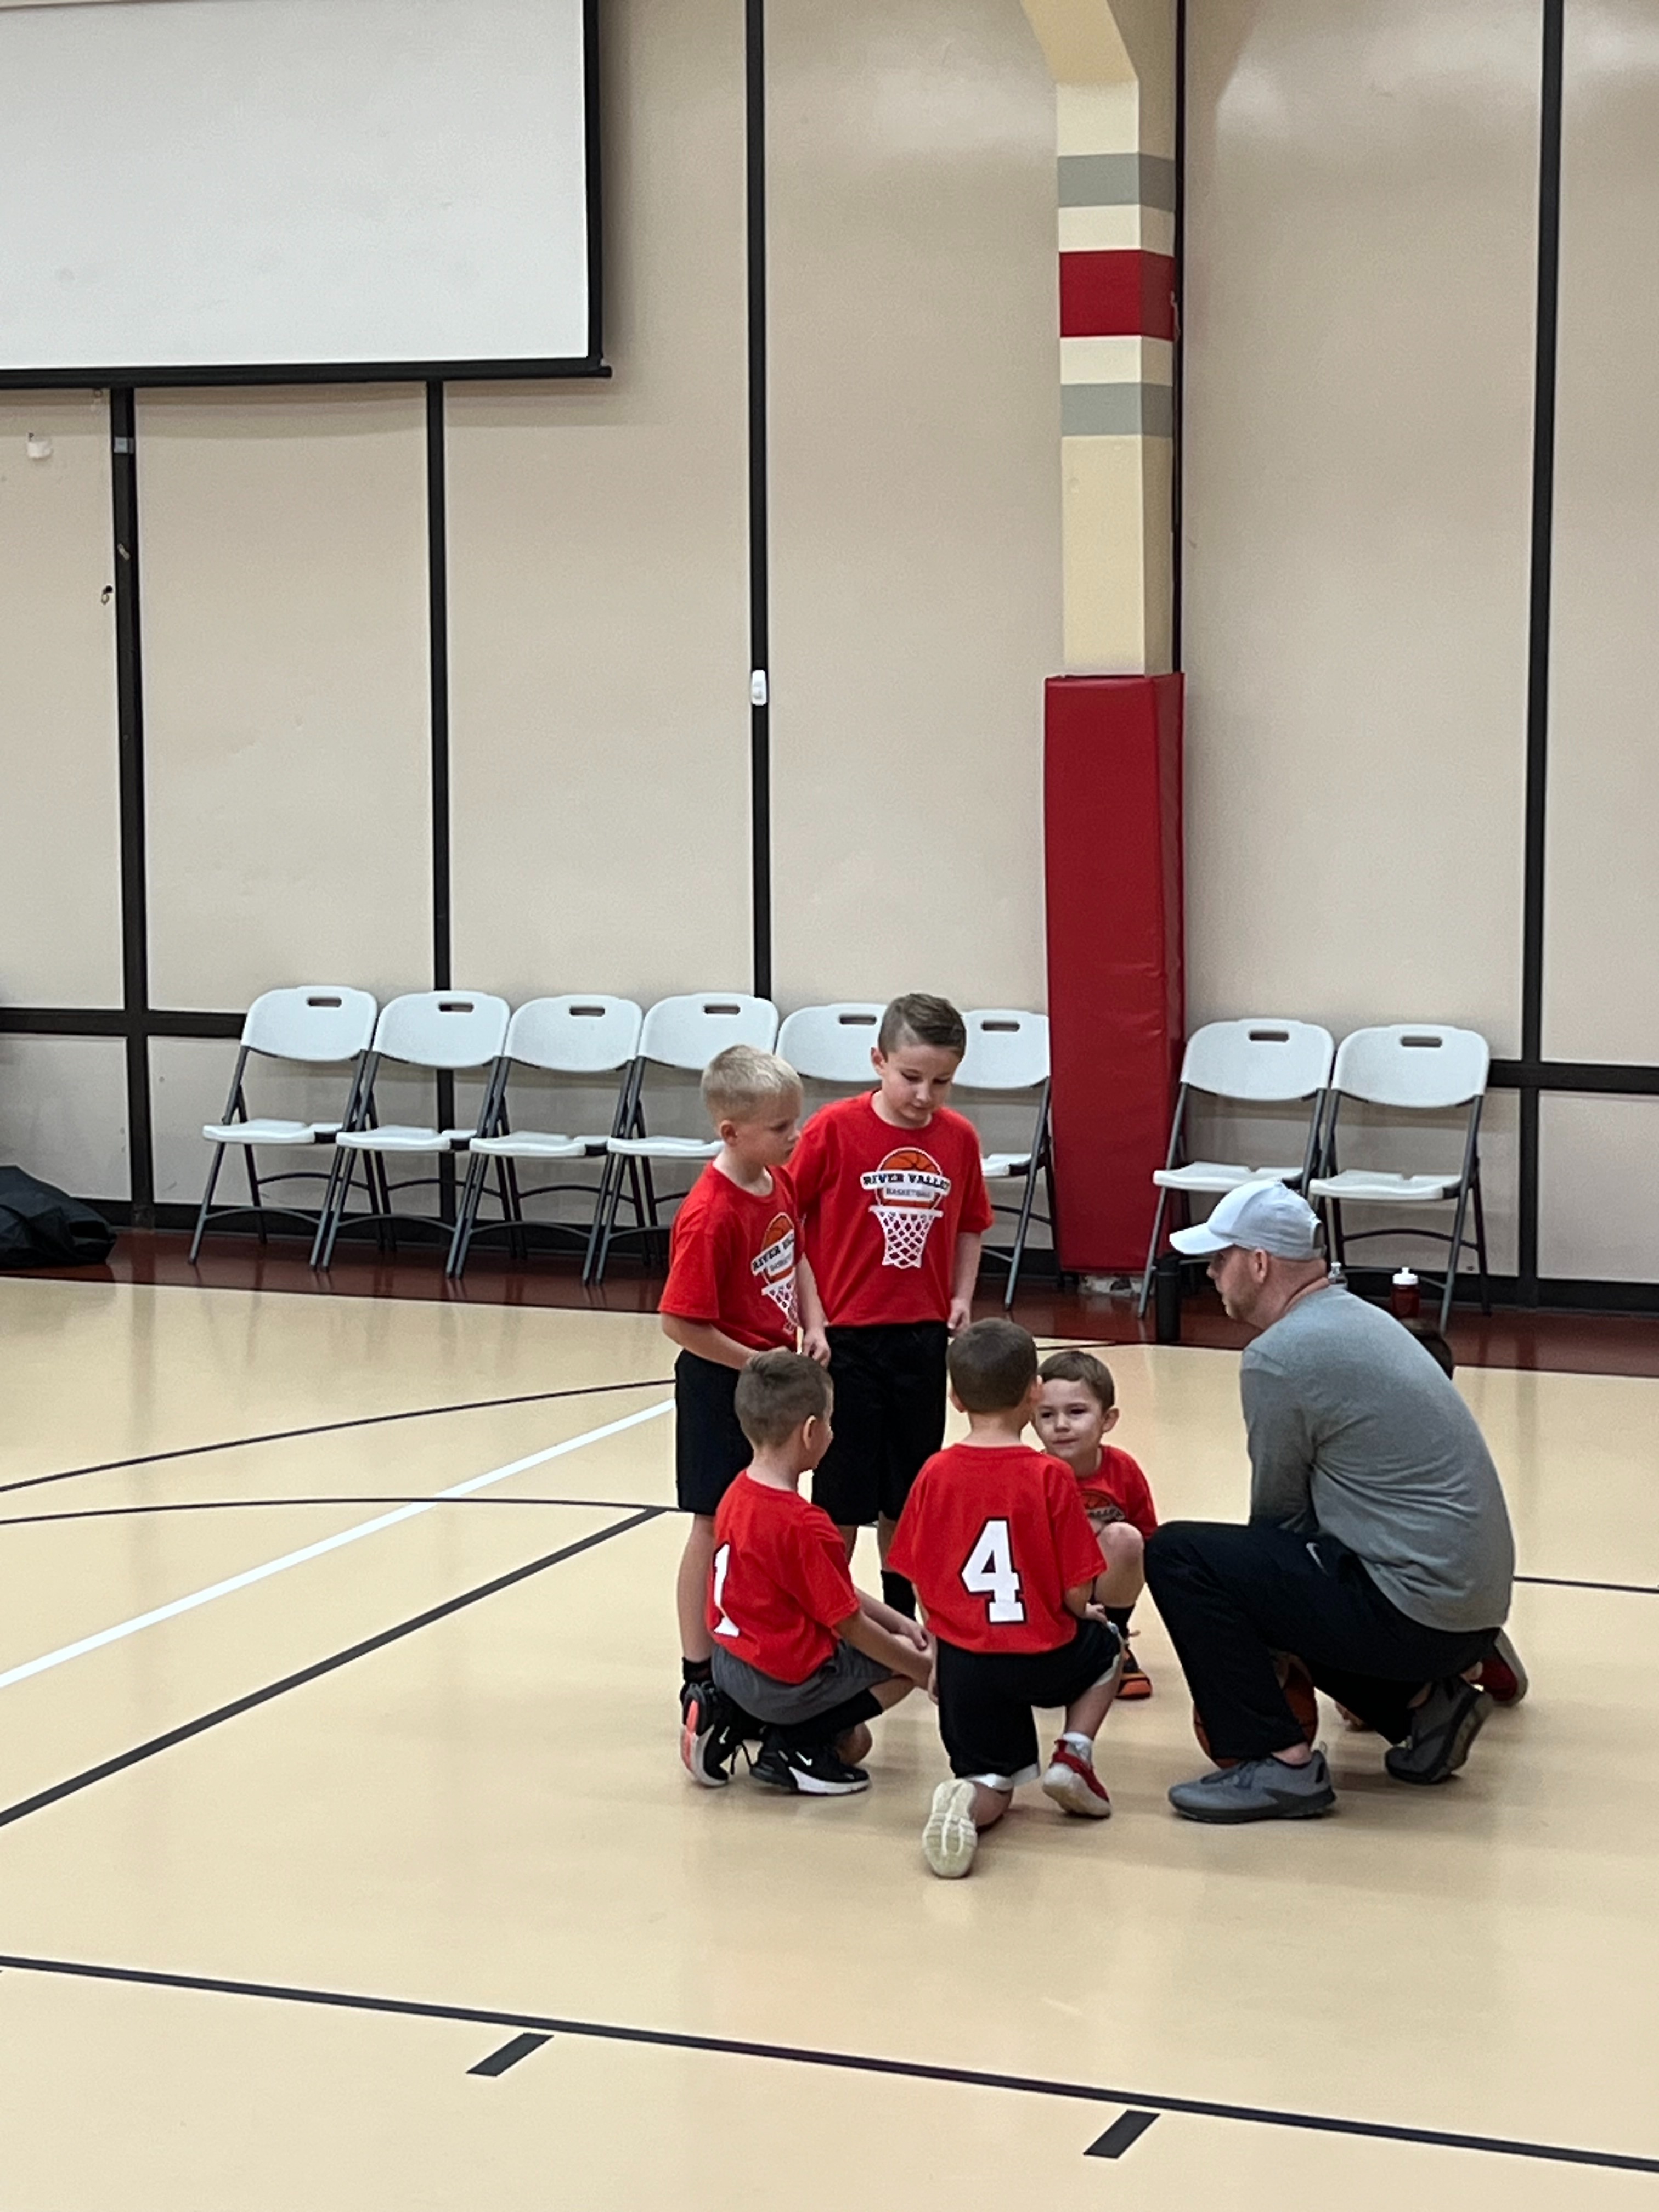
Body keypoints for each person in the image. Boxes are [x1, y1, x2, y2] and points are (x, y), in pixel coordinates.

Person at [1144, 1180, 1516, 1824]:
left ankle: (1277, 1760)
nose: (1210, 1274)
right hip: (1471, 1615)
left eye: (1219, 1258)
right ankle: (1425, 1706)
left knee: (1182, 1556)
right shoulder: (1363, 1318)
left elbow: (1278, 1521)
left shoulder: (1281, 1355)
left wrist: (1260, 1650)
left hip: (1418, 1615)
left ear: (1259, 1263)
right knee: (1307, 1568)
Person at [888, 1318, 1124, 1879]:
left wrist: (942, 1648)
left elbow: (921, 1580)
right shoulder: (1049, 1475)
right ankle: (1073, 1753)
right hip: (1042, 1654)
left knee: (994, 1784)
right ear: (1034, 1392)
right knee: (1107, 1648)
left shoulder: (935, 1473)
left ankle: (965, 1801)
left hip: (969, 1664)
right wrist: (1081, 1613)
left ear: (954, 1397)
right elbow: (1075, 1587)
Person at [791, 993, 994, 1615]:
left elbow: (970, 1223)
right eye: (911, 1078)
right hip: (846, 1339)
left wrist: (961, 1295)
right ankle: (828, 1614)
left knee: (907, 1495)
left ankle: (901, 1617)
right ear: (878, 1060)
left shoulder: (958, 1138)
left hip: (921, 1338)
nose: (925, 1095)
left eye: (943, 1081)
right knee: (842, 1493)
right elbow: (789, 1219)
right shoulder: (833, 1129)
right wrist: (812, 1317)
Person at [659, 1045, 824, 1768]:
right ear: (731, 1132)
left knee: (769, 1516)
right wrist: (756, 1361)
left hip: (772, 1373)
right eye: (781, 1127)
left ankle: (757, 1657)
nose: (795, 1137)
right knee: (713, 1520)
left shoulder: (773, 1180)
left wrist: (814, 1323)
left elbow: (797, 1255)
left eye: (796, 1122)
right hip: (722, 1383)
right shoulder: (709, 1215)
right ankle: (700, 1676)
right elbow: (680, 1322)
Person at [691, 1350, 932, 1794]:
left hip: (729, 1665)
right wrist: (920, 1668)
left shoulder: (736, 1495)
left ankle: (728, 1715)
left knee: (853, 1738)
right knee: (893, 1678)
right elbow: (850, 1624)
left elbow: (827, 1591)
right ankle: (795, 1748)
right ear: (810, 1432)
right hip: (781, 1680)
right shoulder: (804, 1523)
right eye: (831, 1422)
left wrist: (899, 1619)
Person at [1034, 1348, 1159, 1697]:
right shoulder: (1030, 1476)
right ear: (1031, 1420)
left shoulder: (1124, 1471)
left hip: (1100, 1589)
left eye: (1076, 1412)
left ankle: (1113, 1642)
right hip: (1049, 1593)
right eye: (1047, 1414)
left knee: (1126, 1538)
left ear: (1107, 1419)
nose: (1061, 1425)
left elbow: (1149, 1540)